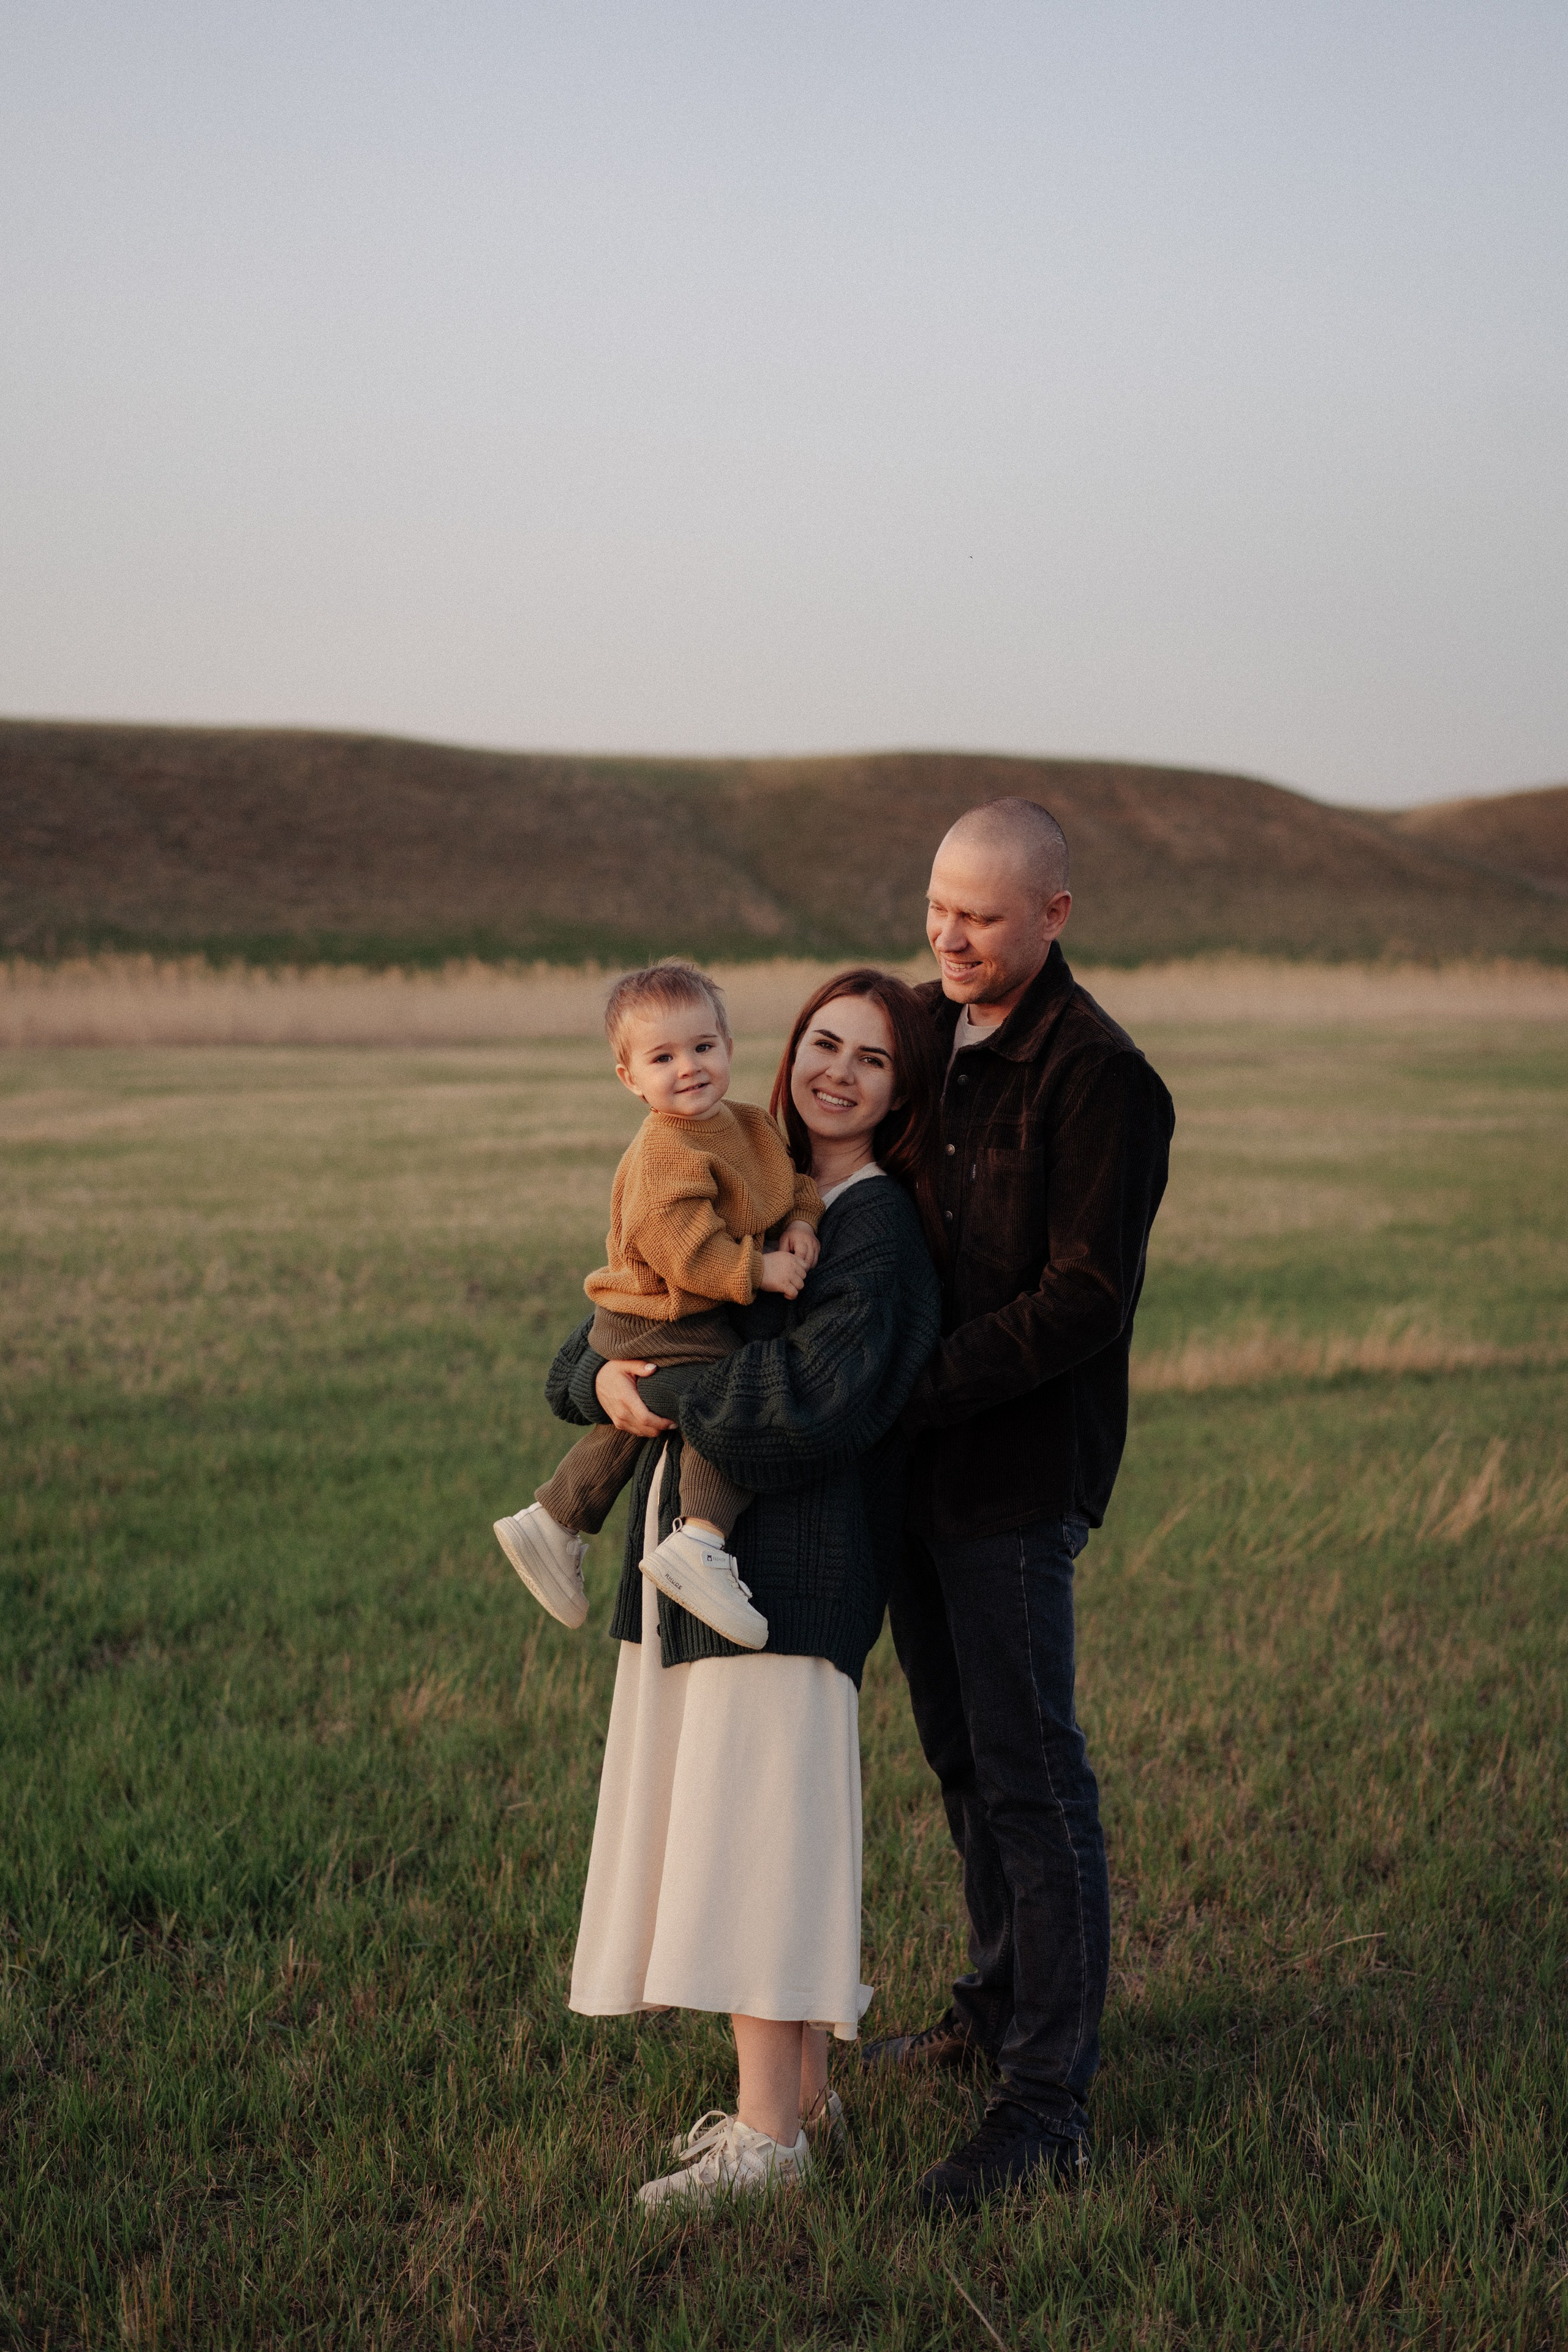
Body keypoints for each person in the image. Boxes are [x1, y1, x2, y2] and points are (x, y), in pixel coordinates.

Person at [549, 969, 944, 2209]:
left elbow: (814, 1403)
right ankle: (801, 2105)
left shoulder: (872, 1230)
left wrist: (649, 1398)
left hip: (789, 1567)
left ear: (903, 1089)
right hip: (708, 1562)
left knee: (760, 1844)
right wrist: (602, 1388)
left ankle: (770, 2143)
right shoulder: (743, 1175)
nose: (836, 1070)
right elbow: (622, 1309)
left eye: (872, 1059)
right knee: (730, 1828)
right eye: (822, 1042)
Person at [862, 797, 1175, 2215]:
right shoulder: (917, 1036)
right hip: (907, 1475)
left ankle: (1045, 2101)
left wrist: (904, 1386)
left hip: (1011, 1475)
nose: (948, 934)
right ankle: (991, 2006)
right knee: (961, 1763)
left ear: (1052, 914)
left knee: (1035, 1779)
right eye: (936, 904)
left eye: (979, 914)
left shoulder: (1100, 1076)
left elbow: (1083, 1302)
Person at [493, 960, 823, 1649]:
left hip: (684, 1312)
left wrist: (799, 1222)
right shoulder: (664, 1150)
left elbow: (787, 1183)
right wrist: (758, 1269)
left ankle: (555, 1518)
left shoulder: (750, 1126)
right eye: (663, 1057)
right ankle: (700, 1540)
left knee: (638, 1419)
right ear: (630, 1079)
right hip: (652, 1314)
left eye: (703, 1048)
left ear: (729, 1048)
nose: (689, 1068)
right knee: (728, 1392)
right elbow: (683, 1249)